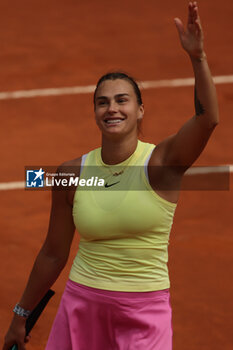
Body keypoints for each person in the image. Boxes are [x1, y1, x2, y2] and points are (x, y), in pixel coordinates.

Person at [3, 2, 219, 350]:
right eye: (102, 102)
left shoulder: (161, 163)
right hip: (82, 306)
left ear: (140, 109)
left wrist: (198, 57)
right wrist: (20, 314)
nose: (112, 108)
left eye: (122, 100)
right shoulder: (72, 174)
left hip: (144, 314)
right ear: (95, 113)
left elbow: (208, 119)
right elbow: (53, 253)